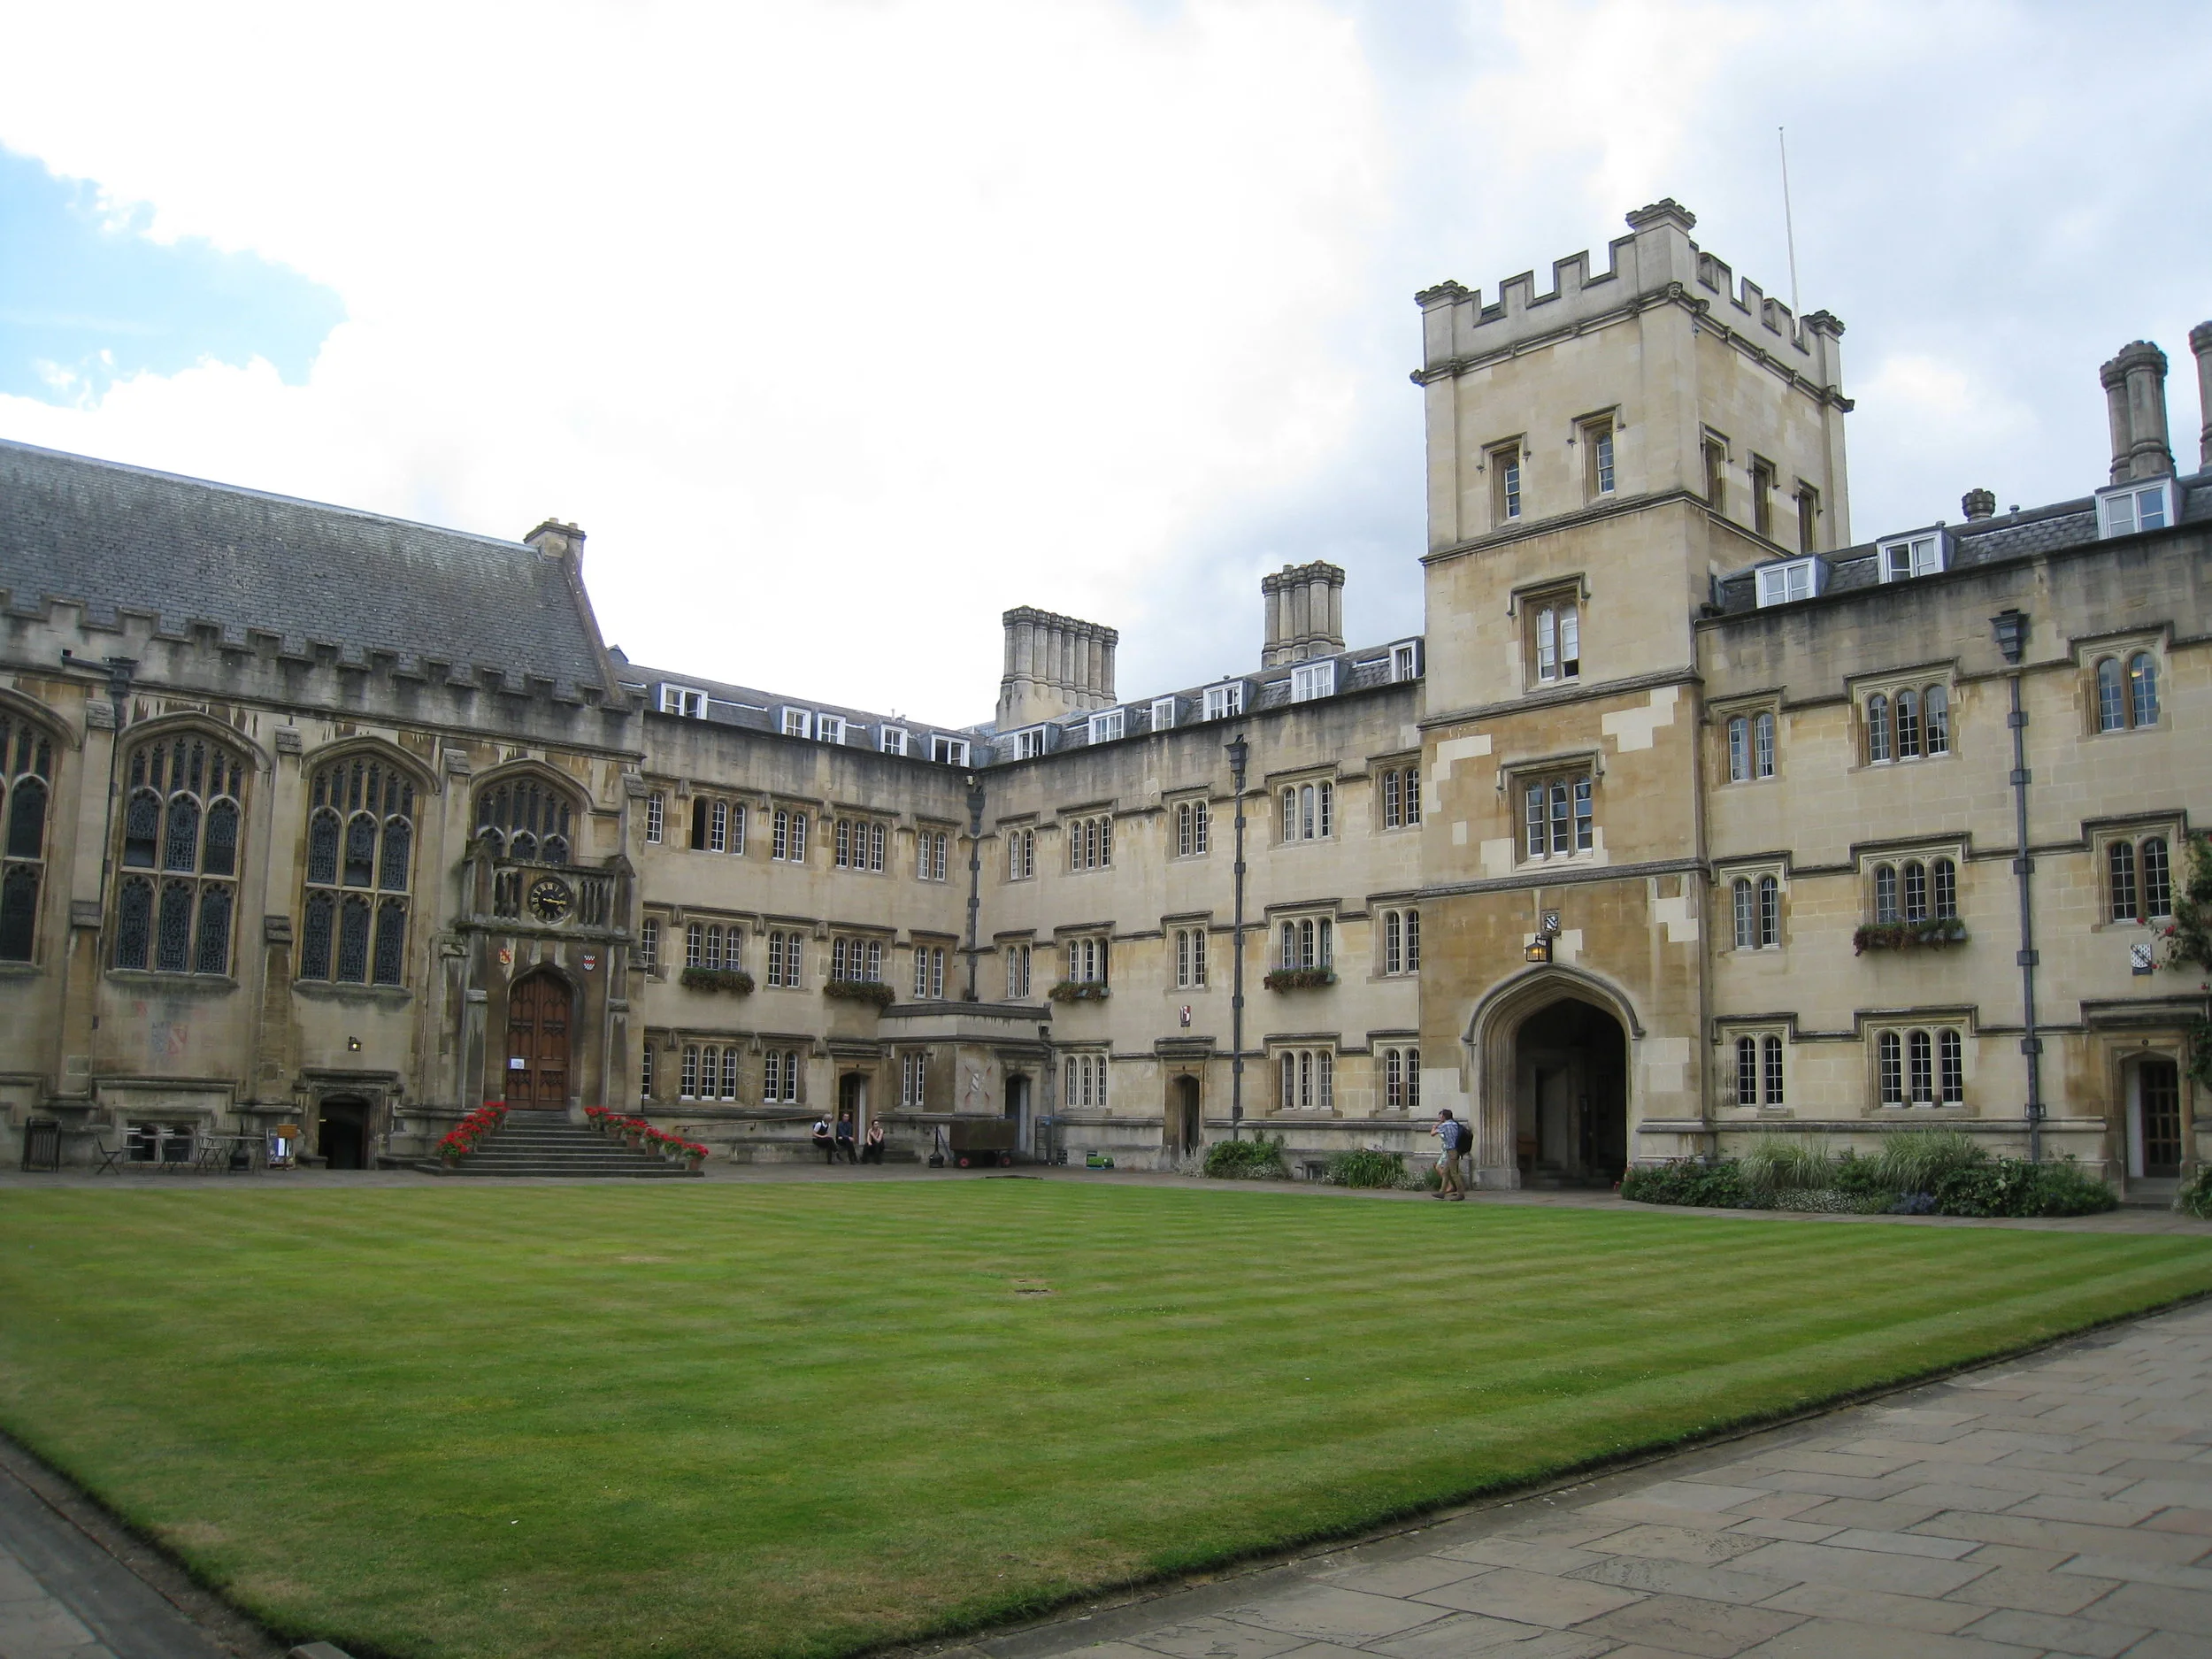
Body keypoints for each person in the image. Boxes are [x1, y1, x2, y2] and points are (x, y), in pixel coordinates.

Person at [1431, 1108, 1467, 1201]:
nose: (1440, 1117)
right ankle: (1442, 1192)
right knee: (1446, 1172)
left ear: (1444, 1116)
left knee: (1454, 1173)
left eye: (1441, 1116)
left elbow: (1432, 1134)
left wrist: (1435, 1126)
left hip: (1451, 1151)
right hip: (1455, 1150)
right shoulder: (1455, 1124)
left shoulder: (1445, 1125)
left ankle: (1461, 1193)